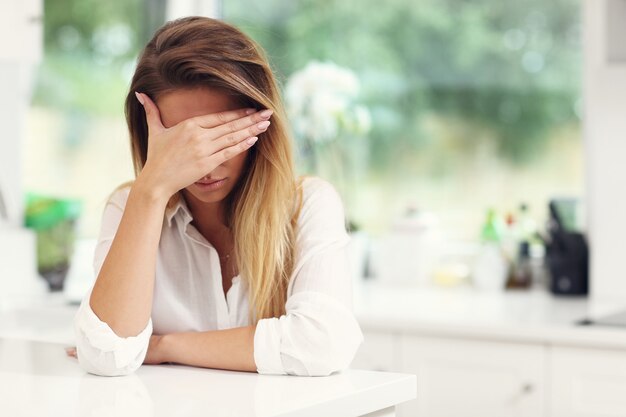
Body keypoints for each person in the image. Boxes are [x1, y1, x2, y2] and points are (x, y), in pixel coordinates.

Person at [69, 16, 364, 377]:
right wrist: (151, 189)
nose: (205, 167)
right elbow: (106, 356)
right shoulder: (134, 205)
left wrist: (166, 345)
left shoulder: (309, 204)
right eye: (183, 143)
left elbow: (323, 344)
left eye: (222, 138)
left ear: (261, 125)